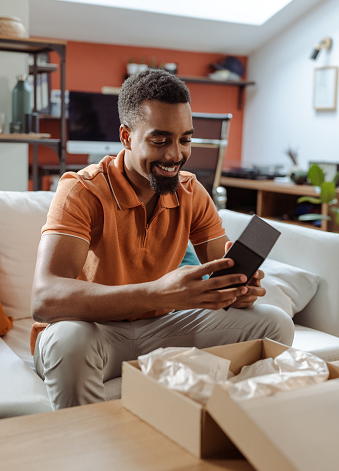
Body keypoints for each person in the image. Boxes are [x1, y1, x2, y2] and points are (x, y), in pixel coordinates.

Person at [32, 69, 294, 409]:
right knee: (69, 340)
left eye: (185, 139)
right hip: (93, 333)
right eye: (160, 141)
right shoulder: (81, 191)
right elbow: (45, 297)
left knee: (273, 322)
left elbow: (221, 273)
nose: (175, 155)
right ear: (126, 137)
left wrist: (238, 290)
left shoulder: (192, 192)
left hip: (163, 328)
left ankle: (233, 430)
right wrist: (159, 292)